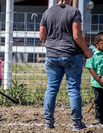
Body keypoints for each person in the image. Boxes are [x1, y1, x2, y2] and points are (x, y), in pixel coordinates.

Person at [39, 0, 94, 131]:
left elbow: (42, 36)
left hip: (52, 55)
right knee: (73, 89)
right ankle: (76, 123)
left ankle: (48, 122)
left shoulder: (47, 12)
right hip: (71, 55)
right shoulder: (74, 12)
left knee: (51, 88)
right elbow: (76, 35)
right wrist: (86, 51)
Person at [85, 32, 103, 125]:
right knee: (98, 100)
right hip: (97, 83)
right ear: (96, 43)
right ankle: (98, 118)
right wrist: (99, 80)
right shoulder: (92, 54)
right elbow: (91, 68)